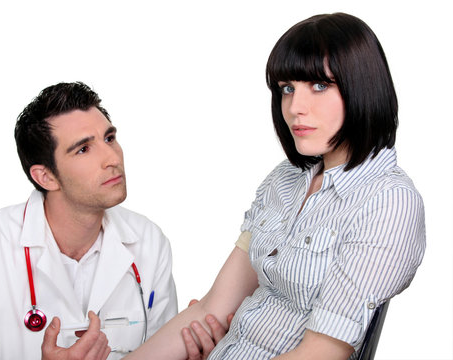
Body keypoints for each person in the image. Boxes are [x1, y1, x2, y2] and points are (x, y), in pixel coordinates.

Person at [124, 12, 426, 360]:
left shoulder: (388, 201)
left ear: (363, 86)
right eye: (287, 88)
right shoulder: (284, 180)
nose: (295, 107)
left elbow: (322, 353)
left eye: (319, 85)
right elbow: (211, 308)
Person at [0, 82, 178, 360]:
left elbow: (163, 350)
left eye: (109, 138)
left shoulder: (149, 242)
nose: (112, 158)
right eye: (83, 149)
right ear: (45, 177)